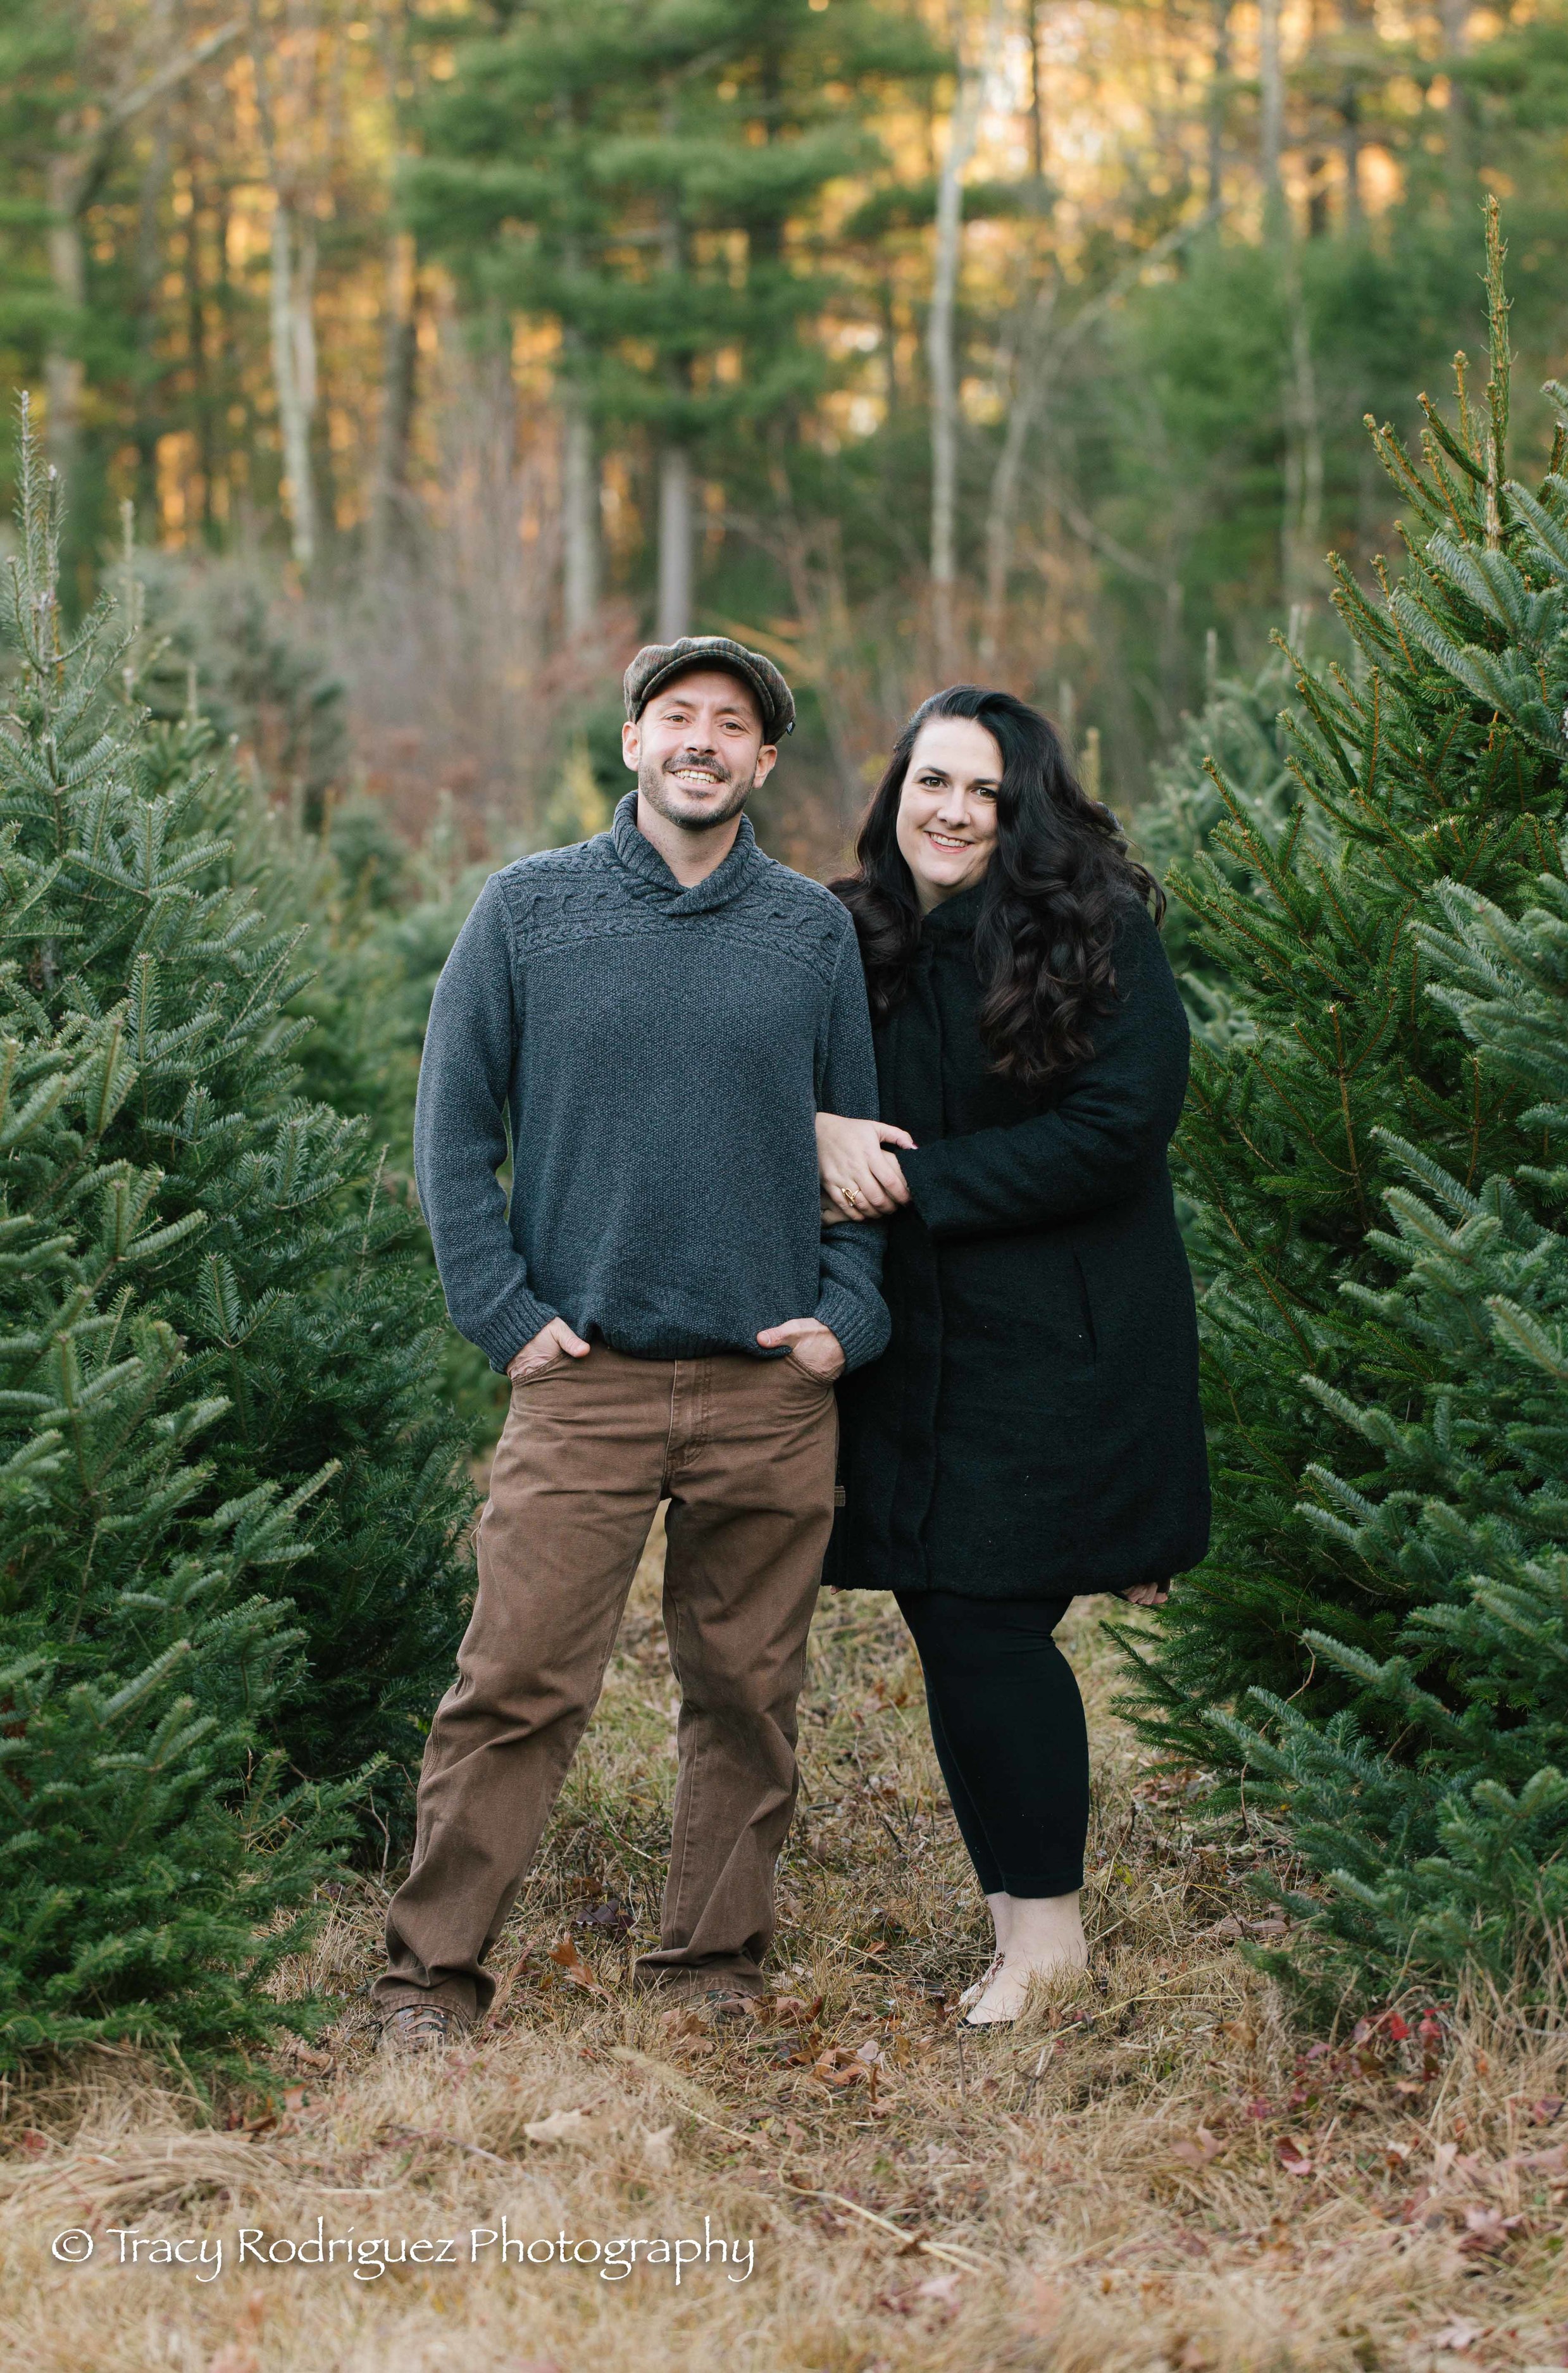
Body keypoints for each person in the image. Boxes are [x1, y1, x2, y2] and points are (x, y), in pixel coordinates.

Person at [375, 635, 892, 2052]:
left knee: (746, 1696)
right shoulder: (525, 912)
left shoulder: (809, 934)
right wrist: (506, 1318)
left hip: (766, 1390)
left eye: (732, 726)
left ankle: (712, 1969)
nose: (703, 742)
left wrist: (843, 1325)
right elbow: (450, 1133)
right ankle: (429, 1978)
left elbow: (856, 1146)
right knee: (514, 1684)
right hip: (581, 1382)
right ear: (632, 741)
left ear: (764, 763)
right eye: (679, 717)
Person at [818, 685, 1210, 2026]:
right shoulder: (848, 934)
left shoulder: (1088, 934)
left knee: (986, 1619)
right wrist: (817, 1141)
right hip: (909, 1349)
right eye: (933, 782)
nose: (953, 813)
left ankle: (1046, 1945)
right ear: (895, 793)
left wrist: (918, 1182)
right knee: (951, 1618)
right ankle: (1019, 1930)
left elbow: (1119, 1126)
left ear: (1025, 809)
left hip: (1060, 1341)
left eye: (986, 793)